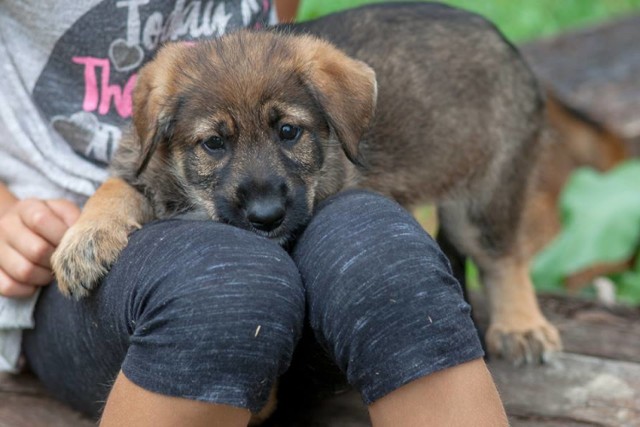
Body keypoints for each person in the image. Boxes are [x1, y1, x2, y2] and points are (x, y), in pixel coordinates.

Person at [0, 1, 508, 426]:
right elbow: (136, 176)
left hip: (296, 324)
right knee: (232, 285)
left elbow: (277, 25)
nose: (263, 201)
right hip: (71, 276)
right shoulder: (163, 106)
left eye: (288, 132)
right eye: (214, 144)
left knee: (384, 255)